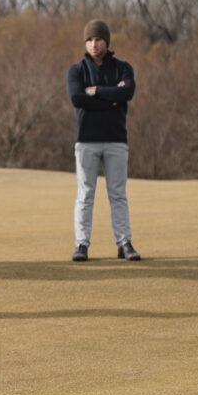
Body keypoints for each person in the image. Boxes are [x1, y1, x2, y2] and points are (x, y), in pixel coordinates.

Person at [68, 18, 138, 260]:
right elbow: (77, 98)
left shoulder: (123, 67)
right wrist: (112, 98)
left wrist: (96, 91)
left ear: (106, 41)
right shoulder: (76, 70)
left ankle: (124, 243)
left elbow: (127, 91)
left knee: (117, 193)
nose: (93, 44)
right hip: (87, 140)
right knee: (85, 194)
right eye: (89, 40)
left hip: (116, 139)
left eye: (98, 39)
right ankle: (81, 244)